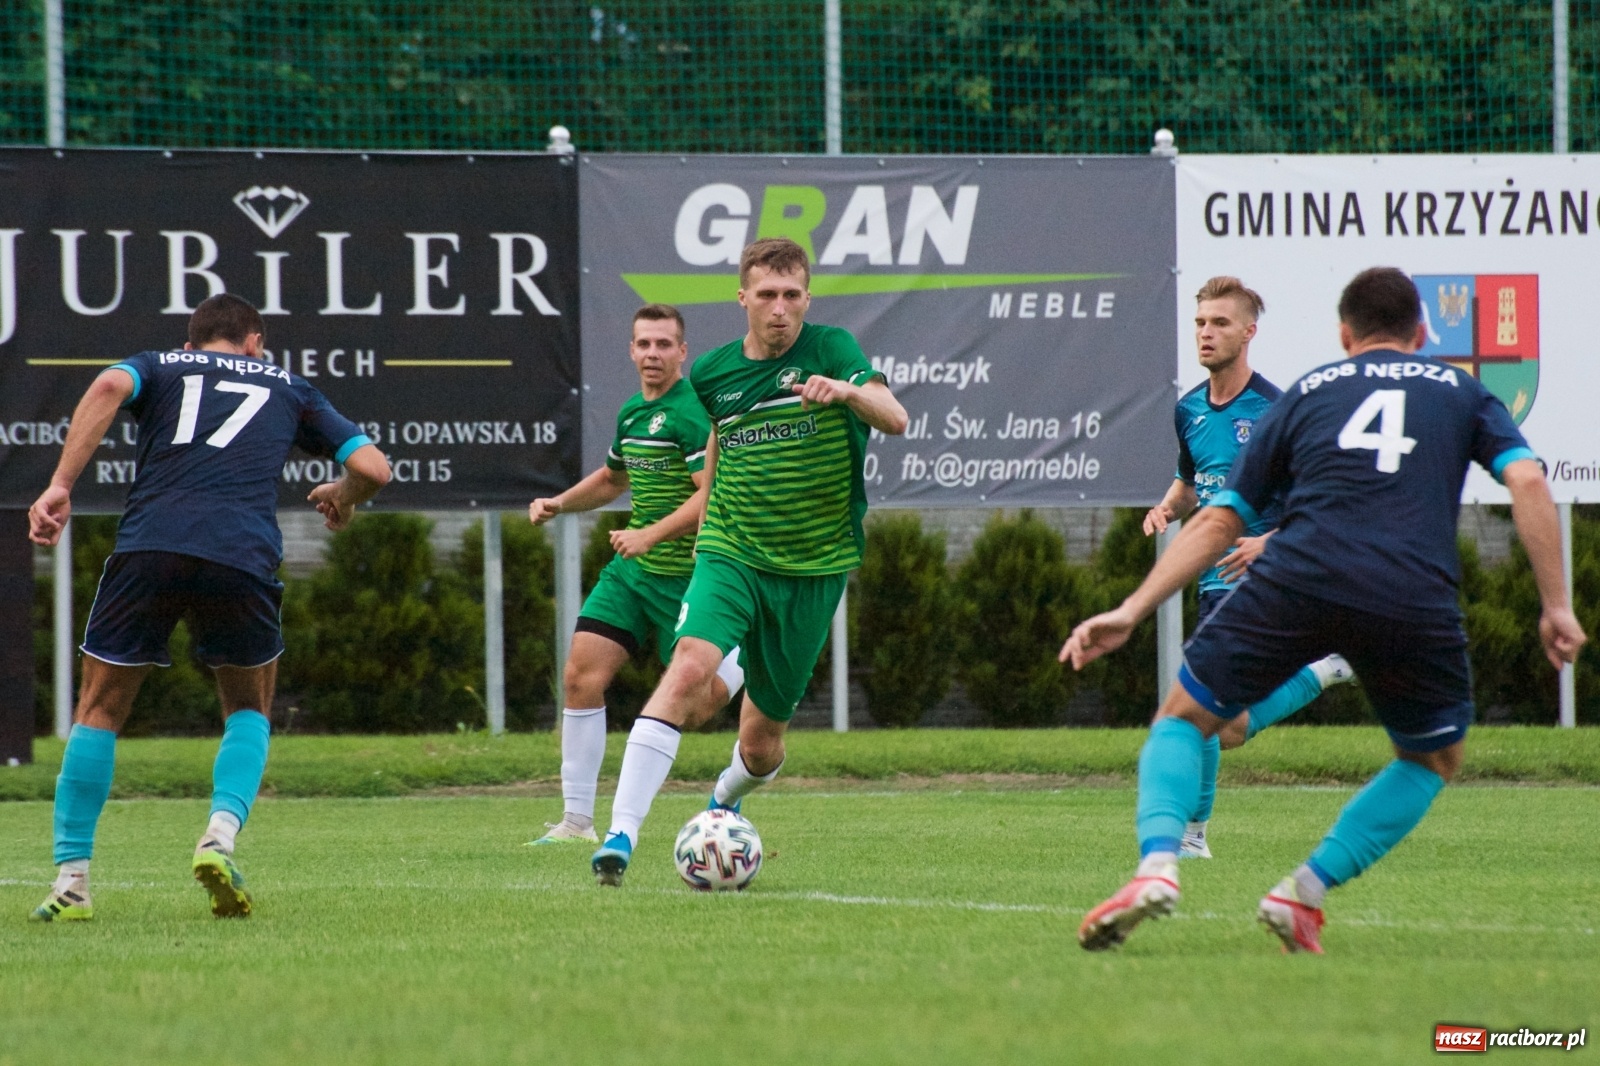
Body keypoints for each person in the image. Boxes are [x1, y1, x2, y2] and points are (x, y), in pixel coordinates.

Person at [1062, 267, 1584, 954]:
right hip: (1410, 592)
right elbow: (1528, 480)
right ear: (1421, 333)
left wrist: (1131, 609)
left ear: (1344, 335)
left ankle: (1159, 865)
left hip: (1299, 578)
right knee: (1431, 758)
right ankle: (1302, 891)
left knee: (1183, 720)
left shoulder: (1307, 392)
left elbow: (1219, 520)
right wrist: (1556, 606)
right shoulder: (1461, 390)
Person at [26, 293, 390, 921]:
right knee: (248, 707)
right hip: (240, 555)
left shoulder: (160, 364)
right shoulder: (290, 386)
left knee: (100, 708)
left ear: (191, 344)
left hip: (151, 546)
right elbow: (375, 469)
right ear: (255, 343)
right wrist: (343, 492)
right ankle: (218, 836)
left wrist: (60, 485)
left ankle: (72, 881)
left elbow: (109, 384)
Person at [589, 237, 908, 886]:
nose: (780, 308)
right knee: (688, 666)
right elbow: (716, 444)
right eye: (767, 295)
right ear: (743, 298)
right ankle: (620, 835)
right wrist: (706, 521)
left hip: (813, 568)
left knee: (761, 745)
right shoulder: (711, 374)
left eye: (792, 295)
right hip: (731, 550)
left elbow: (895, 417)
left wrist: (848, 394)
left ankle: (723, 798)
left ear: (807, 298)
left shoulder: (833, 349)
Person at [1145, 276, 1354, 859]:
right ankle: (1326, 669)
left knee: (1196, 702)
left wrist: (1269, 543)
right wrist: (1167, 507)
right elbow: (1194, 481)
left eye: (1220, 323)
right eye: (1200, 323)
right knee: (1229, 727)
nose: (1206, 333)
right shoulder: (1188, 409)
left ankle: (1192, 834)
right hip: (1214, 579)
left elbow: (1323, 500)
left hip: (1265, 577)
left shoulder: (1276, 411)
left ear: (1248, 332)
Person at [525, 304, 744, 847]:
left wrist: (650, 534)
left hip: (688, 578)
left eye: (664, 344)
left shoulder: (690, 413)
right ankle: (576, 821)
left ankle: (744, 654)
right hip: (632, 576)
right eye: (644, 343)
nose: (653, 353)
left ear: (682, 352)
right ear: (631, 350)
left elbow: (711, 494)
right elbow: (611, 478)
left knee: (699, 707)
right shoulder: (632, 412)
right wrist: (559, 503)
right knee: (580, 676)